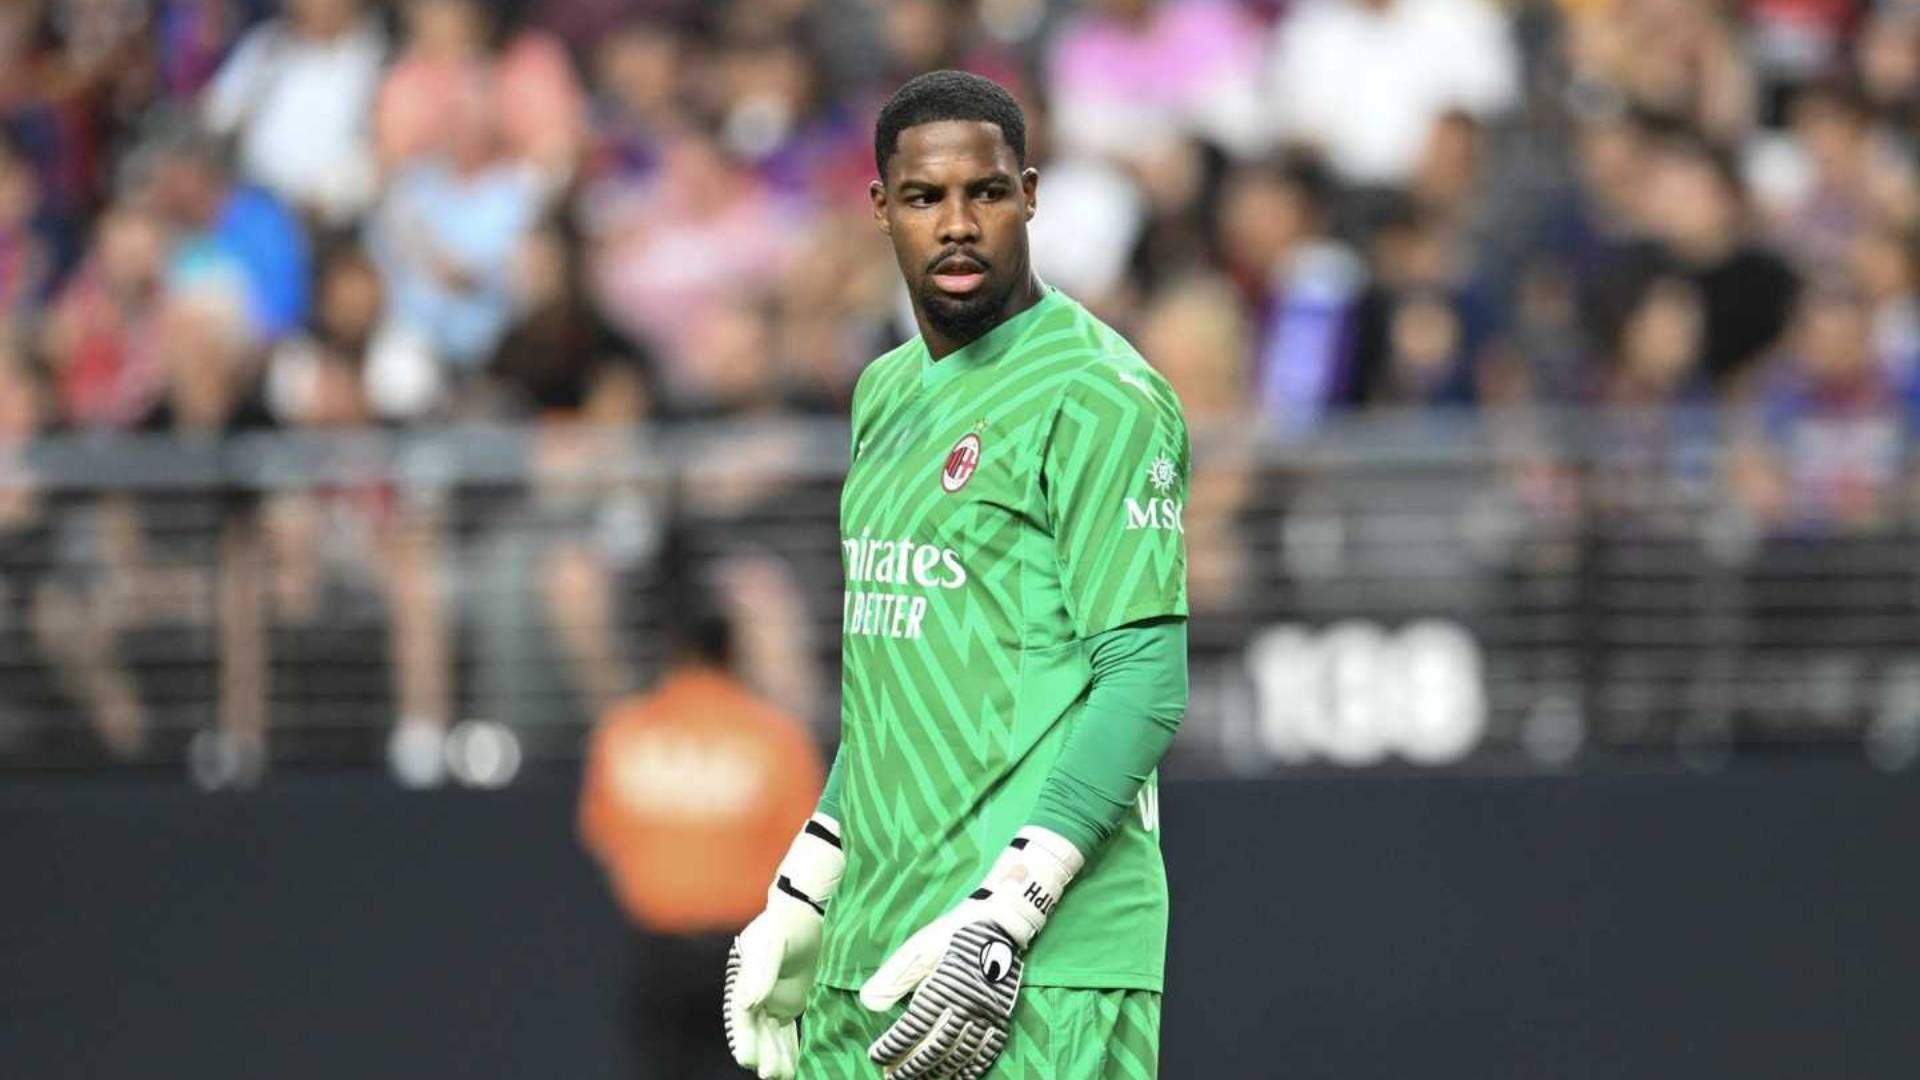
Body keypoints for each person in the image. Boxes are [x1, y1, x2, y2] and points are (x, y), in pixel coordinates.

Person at [722, 71, 1190, 1079]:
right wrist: (807, 884)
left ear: (1030, 195)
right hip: (872, 944)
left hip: (1038, 958)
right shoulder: (884, 393)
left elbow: (1145, 682)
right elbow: (898, 684)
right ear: (880, 208)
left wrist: (1012, 905)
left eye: (986, 193)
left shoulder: (1101, 395)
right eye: (925, 198)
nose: (958, 224)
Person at [578, 606, 823, 1080]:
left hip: (657, 953)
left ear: (670, 654)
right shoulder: (776, 737)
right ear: (732, 654)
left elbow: (603, 836)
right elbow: (805, 849)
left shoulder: (625, 731)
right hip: (748, 954)